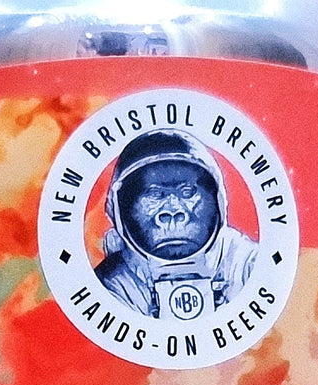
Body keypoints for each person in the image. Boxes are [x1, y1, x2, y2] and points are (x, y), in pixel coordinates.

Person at [94, 132, 257, 318]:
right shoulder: (111, 285)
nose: (173, 211)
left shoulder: (246, 265)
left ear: (217, 200)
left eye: (187, 192)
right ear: (122, 207)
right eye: (155, 194)